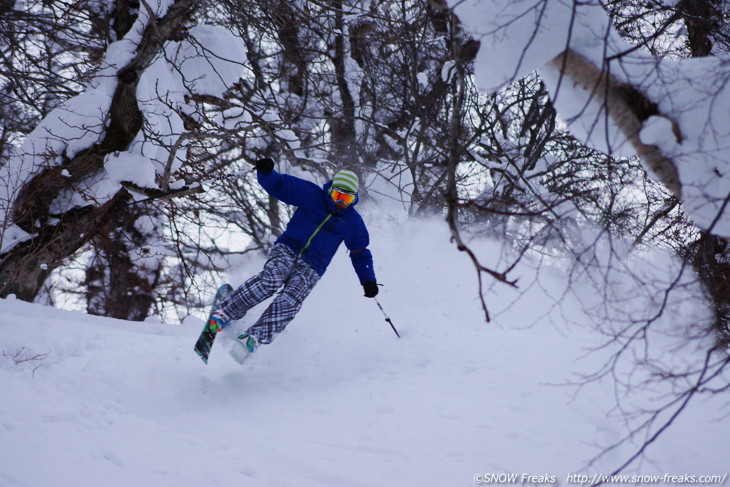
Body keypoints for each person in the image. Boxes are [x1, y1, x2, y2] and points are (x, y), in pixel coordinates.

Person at [208, 157, 379, 361]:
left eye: (346, 199)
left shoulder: (353, 222)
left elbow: (360, 253)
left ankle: (254, 337)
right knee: (272, 279)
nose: (339, 202)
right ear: (330, 189)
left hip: (313, 267)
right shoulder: (312, 195)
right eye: (337, 195)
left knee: (290, 299)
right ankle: (226, 311)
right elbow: (281, 186)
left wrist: (367, 280)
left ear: (353, 200)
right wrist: (266, 173)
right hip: (288, 248)